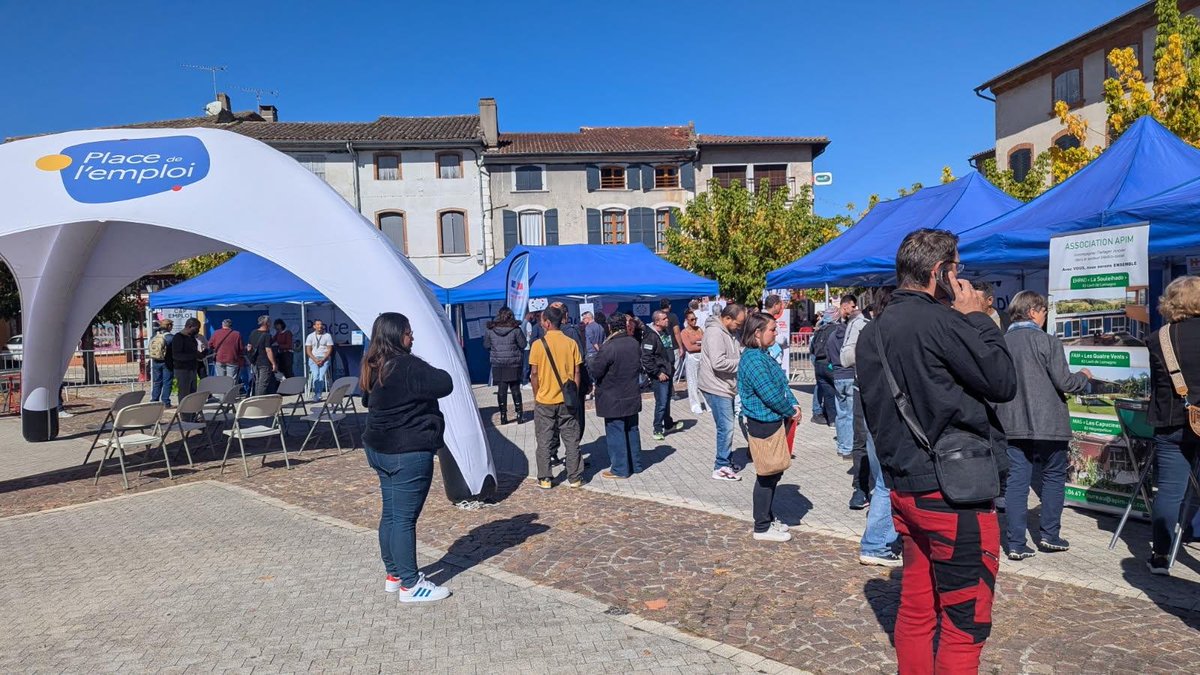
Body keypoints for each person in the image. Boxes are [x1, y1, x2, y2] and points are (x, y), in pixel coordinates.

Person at [856, 228, 1016, 673]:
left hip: (905, 487)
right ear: (939, 272)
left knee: (916, 607)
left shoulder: (873, 331)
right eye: (956, 269)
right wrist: (978, 318)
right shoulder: (944, 322)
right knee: (966, 625)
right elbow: (1003, 382)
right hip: (953, 493)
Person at [360, 312, 454, 602]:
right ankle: (410, 585)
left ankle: (394, 573)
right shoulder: (407, 366)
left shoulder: (373, 365)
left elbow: (366, 399)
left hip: (378, 448)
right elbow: (445, 382)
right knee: (403, 518)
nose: (412, 337)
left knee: (391, 513)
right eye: (408, 332)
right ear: (396, 335)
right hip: (406, 450)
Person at [995, 291, 1092, 560]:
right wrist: (1083, 376)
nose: (1045, 317)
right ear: (1034, 311)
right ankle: (1049, 535)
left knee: (1016, 482)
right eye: (1044, 312)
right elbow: (1066, 383)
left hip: (1011, 423)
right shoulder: (1048, 342)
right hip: (1049, 423)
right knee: (1052, 477)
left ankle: (1015, 542)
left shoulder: (1001, 343)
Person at [842, 286, 903, 567]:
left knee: (882, 480)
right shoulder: (888, 333)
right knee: (886, 481)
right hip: (887, 412)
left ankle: (878, 541)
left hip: (871, 408)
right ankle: (877, 543)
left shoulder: (868, 331)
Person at [1145, 275, 1200, 575]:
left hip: (1172, 421)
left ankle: (1160, 557)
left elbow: (1157, 385)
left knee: (1168, 493)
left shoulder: (1157, 339)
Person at [738, 312, 802, 542]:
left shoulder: (762, 355)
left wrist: (793, 403)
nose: (776, 333)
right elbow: (770, 394)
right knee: (767, 474)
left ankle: (767, 517)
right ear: (757, 333)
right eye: (772, 329)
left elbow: (782, 386)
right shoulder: (753, 359)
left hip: (773, 420)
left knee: (774, 473)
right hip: (763, 422)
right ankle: (762, 526)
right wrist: (790, 409)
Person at [528, 305, 584, 488]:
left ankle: (545, 478)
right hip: (567, 400)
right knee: (571, 438)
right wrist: (573, 393)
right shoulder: (571, 343)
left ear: (547, 322)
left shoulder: (537, 345)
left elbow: (534, 374)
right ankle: (575, 477)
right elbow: (577, 372)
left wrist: (537, 394)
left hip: (545, 399)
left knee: (544, 439)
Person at [590, 312, 643, 479]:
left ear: (610, 327)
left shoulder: (609, 346)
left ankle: (620, 468)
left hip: (613, 395)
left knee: (616, 431)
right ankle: (636, 464)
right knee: (632, 429)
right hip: (631, 393)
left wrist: (591, 360)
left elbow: (596, 370)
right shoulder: (633, 343)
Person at [698, 302, 746, 481]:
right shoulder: (715, 332)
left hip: (725, 385)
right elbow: (718, 363)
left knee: (726, 426)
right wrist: (741, 362)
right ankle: (720, 466)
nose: (739, 327)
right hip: (716, 386)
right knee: (726, 427)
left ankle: (726, 460)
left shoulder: (728, 332)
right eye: (737, 323)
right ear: (727, 318)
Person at [839, 290, 875, 511]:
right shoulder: (859, 324)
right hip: (864, 386)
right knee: (861, 439)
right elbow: (846, 358)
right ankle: (860, 487)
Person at [642, 310, 682, 441]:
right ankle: (657, 429)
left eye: (666, 318)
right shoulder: (650, 336)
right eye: (664, 319)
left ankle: (668, 424)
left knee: (666, 401)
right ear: (657, 321)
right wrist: (658, 373)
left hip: (668, 371)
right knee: (661, 403)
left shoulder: (665, 332)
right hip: (660, 375)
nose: (667, 320)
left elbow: (667, 351)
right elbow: (646, 359)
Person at [828, 294, 859, 461]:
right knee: (851, 413)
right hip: (849, 375)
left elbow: (829, 357)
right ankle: (849, 448)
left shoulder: (832, 336)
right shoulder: (849, 338)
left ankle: (842, 446)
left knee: (841, 413)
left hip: (838, 377)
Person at [484, 306, 526, 425]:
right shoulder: (516, 329)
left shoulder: (490, 330)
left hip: (498, 362)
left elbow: (486, 345)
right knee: (515, 389)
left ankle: (503, 416)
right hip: (514, 362)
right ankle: (519, 415)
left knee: (501, 389)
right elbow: (523, 344)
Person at [809, 306, 840, 425]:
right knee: (837, 391)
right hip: (830, 364)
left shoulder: (819, 329)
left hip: (819, 364)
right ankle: (836, 418)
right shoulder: (836, 329)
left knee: (828, 393)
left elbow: (812, 348)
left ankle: (831, 420)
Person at [170, 318, 203, 401]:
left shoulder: (192, 338)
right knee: (184, 394)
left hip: (192, 369)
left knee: (193, 393)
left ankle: (192, 412)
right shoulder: (178, 338)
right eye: (196, 328)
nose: (198, 331)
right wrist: (193, 356)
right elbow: (177, 355)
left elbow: (194, 352)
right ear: (189, 326)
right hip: (183, 370)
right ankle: (184, 413)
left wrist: (201, 354)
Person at [680, 310, 706, 414]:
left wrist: (700, 344)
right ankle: (695, 404)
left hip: (702, 356)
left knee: (704, 380)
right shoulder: (684, 332)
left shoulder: (699, 329)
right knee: (692, 381)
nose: (694, 321)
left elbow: (705, 341)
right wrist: (700, 345)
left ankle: (707, 403)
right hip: (692, 358)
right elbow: (689, 347)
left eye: (695, 319)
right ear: (687, 320)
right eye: (692, 319)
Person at [246, 315, 278, 396]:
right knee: (263, 384)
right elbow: (268, 350)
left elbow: (249, 347)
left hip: (255, 362)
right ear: (266, 323)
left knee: (257, 382)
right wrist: (273, 363)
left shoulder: (253, 332)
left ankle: (256, 399)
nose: (271, 324)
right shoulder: (267, 335)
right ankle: (259, 401)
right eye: (270, 322)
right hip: (264, 362)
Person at [305, 319, 335, 400]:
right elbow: (308, 350)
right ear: (314, 326)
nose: (320, 326)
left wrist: (323, 359)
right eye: (318, 325)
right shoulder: (310, 336)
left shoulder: (327, 336)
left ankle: (318, 393)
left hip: (324, 358)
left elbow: (329, 349)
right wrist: (315, 360)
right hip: (313, 358)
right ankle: (316, 393)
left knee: (321, 376)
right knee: (316, 375)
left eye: (321, 324)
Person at [148, 319, 175, 407]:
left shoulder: (154, 336)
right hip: (167, 362)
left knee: (157, 382)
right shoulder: (171, 337)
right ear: (169, 326)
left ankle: (154, 400)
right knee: (167, 382)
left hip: (156, 361)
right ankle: (166, 402)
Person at [209, 318, 244, 383]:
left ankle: (222, 392)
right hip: (232, 359)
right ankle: (230, 392)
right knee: (231, 380)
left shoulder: (216, 333)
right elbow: (241, 348)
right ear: (231, 325)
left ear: (222, 325)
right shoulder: (237, 334)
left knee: (221, 379)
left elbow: (210, 345)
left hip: (219, 358)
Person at [762, 294, 789, 369]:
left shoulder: (769, 318)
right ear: (775, 305)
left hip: (775, 358)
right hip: (770, 359)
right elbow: (776, 339)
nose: (781, 307)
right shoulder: (763, 319)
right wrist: (783, 339)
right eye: (780, 305)